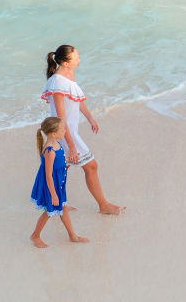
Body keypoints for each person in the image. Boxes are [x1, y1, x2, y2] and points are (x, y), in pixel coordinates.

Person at [42, 44, 124, 215]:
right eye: (76, 57)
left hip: (69, 132)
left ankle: (57, 204)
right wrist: (71, 145)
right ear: (65, 63)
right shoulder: (58, 82)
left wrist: (90, 118)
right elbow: (60, 117)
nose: (79, 59)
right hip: (64, 133)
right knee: (91, 166)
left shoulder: (68, 76)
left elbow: (77, 100)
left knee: (61, 169)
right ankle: (104, 206)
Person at [30, 116, 89, 248]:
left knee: (61, 209)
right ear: (54, 133)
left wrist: (68, 162)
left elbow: (59, 164)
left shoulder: (58, 144)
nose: (65, 132)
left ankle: (73, 236)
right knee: (49, 211)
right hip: (52, 185)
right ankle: (35, 236)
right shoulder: (50, 150)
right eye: (63, 129)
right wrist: (54, 195)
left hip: (59, 182)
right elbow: (48, 175)